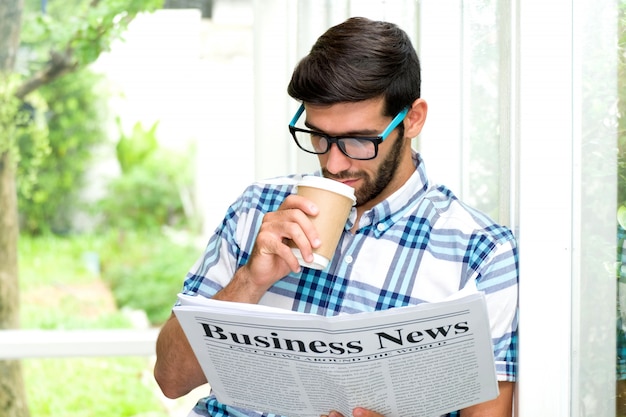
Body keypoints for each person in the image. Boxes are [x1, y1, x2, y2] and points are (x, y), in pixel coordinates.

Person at [154, 16, 518, 417]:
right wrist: (248, 281)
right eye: (320, 136)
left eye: (359, 140)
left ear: (412, 119)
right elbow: (170, 379)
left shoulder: (482, 254)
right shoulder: (257, 207)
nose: (335, 162)